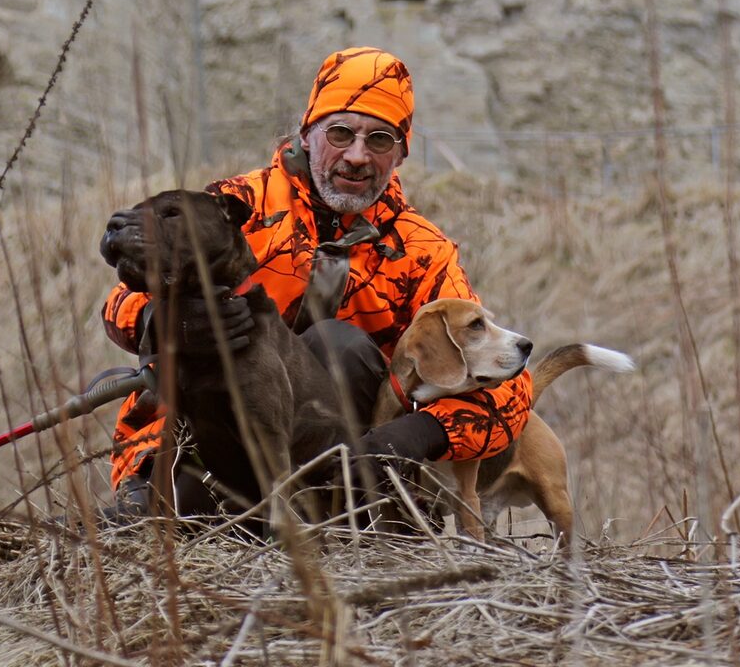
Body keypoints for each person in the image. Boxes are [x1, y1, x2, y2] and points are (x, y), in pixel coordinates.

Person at [100, 46, 534, 515]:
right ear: (307, 135)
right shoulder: (236, 206)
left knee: (339, 345)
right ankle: (165, 498)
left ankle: (337, 520)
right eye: (341, 133)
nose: (357, 156)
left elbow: (510, 390)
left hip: (341, 466)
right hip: (210, 442)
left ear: (401, 155)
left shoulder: (424, 252)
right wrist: (168, 321)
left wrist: (420, 433)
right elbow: (119, 303)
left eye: (381, 140)